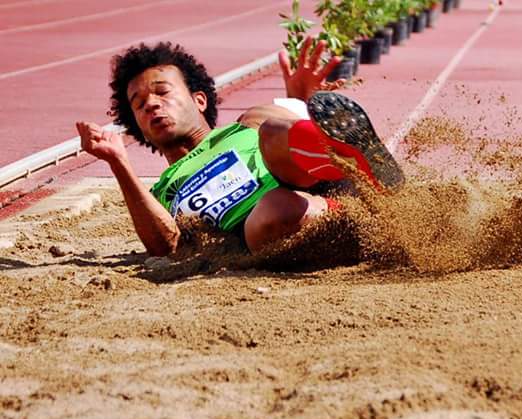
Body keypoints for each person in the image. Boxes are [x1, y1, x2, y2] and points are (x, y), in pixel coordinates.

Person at [76, 38, 404, 257]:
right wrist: (119, 163)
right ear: (137, 126)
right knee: (275, 206)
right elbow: (167, 246)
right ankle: (364, 221)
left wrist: (301, 102)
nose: (151, 105)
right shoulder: (161, 191)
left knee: (269, 127)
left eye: (162, 92)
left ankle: (354, 163)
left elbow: (279, 139)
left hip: (319, 182)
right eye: (139, 104)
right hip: (268, 230)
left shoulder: (246, 124)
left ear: (199, 100)